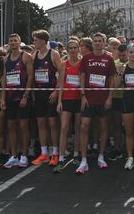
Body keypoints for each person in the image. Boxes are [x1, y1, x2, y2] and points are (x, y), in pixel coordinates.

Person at [76, 32, 118, 174]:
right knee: (84, 126)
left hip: (103, 99)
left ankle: (101, 156)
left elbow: (112, 78)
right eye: (95, 41)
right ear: (92, 43)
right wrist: (82, 95)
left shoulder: (109, 58)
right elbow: (82, 77)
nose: (98, 43)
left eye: (100, 41)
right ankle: (83, 160)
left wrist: (110, 97)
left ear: (104, 42)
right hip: (88, 99)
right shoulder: (86, 58)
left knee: (103, 127)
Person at [30, 30, 62, 167]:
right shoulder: (34, 55)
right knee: (41, 123)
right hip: (39, 92)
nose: (34, 42)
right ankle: (44, 153)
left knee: (52, 123)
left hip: (50, 92)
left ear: (43, 40)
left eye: (36, 40)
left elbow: (62, 74)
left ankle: (55, 152)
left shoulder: (54, 54)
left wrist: (56, 92)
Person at [3, 34, 34, 169]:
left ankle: (24, 155)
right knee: (11, 126)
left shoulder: (26, 56)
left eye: (15, 40)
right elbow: (4, 79)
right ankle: (13, 155)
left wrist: (25, 96)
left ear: (20, 42)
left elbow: (30, 77)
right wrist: (3, 99)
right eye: (11, 41)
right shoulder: (6, 59)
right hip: (10, 97)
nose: (13, 43)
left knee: (23, 126)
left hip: (22, 97)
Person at [56, 39, 83, 172]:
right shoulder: (63, 64)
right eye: (70, 48)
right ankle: (61, 158)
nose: (73, 50)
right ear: (68, 49)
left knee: (78, 128)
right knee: (64, 127)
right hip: (66, 99)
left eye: (75, 47)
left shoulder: (82, 63)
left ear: (78, 49)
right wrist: (59, 101)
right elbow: (61, 83)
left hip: (78, 99)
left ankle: (76, 155)